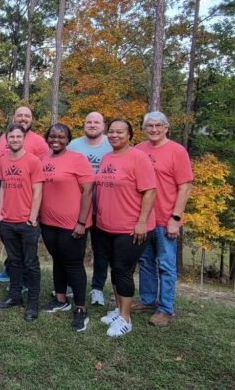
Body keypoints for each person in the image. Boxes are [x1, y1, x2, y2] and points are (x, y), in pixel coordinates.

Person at [95, 118, 157, 337]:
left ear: (129, 135)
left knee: (123, 270)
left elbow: (150, 191)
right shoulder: (106, 158)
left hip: (130, 227)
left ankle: (126, 318)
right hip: (107, 226)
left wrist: (141, 221)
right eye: (111, 131)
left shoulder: (138, 158)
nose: (114, 135)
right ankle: (119, 309)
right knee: (115, 268)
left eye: (120, 132)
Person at [133, 111, 193, 327]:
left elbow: (185, 186)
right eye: (149, 126)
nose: (154, 129)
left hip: (166, 218)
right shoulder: (138, 150)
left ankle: (166, 308)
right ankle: (148, 300)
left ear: (166, 128)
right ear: (144, 128)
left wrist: (175, 218)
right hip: (143, 219)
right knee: (145, 262)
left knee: (166, 265)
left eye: (159, 125)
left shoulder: (177, 151)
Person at [39, 123, 94, 332]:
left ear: (68, 139)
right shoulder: (44, 159)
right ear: (47, 137)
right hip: (48, 222)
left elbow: (88, 192)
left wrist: (81, 222)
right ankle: (60, 298)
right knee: (57, 260)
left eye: (61, 137)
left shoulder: (77, 159)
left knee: (73, 264)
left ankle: (81, 308)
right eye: (52, 136)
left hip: (72, 224)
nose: (56, 140)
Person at [0, 124, 45, 321]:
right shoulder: (3, 160)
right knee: (13, 261)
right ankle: (15, 296)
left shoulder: (33, 161)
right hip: (7, 220)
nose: (14, 139)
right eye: (11, 137)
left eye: (18, 136)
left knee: (30, 263)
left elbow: (38, 191)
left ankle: (32, 302)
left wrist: (32, 217)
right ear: (7, 140)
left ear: (23, 138)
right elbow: (3, 187)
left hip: (26, 222)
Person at [68, 111, 113, 306]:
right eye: (89, 122)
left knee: (101, 251)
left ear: (103, 125)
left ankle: (97, 288)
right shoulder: (73, 146)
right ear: (84, 124)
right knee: (73, 249)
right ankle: (70, 284)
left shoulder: (112, 145)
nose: (92, 125)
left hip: (103, 207)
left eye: (96, 122)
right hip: (76, 208)